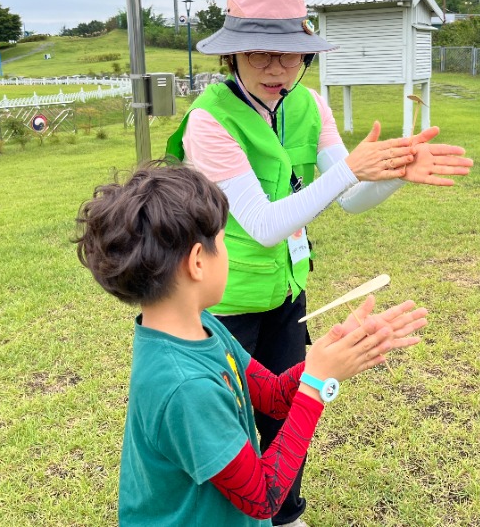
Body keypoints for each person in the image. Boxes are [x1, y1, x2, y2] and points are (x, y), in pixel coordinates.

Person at [165, 0, 472, 526]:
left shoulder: (309, 104)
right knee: (230, 427)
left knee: (288, 410)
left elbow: (349, 198)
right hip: (225, 299)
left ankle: (284, 515)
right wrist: (354, 168)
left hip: (288, 291)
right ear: (232, 51)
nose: (274, 65)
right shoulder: (209, 119)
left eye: (288, 51)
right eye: (258, 50)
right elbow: (261, 225)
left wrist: (394, 173)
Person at [74, 161, 428, 526]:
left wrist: (334, 354)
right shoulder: (184, 386)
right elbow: (264, 497)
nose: (226, 253)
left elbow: (272, 396)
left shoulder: (199, 325)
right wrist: (319, 384)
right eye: (225, 242)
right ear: (197, 261)